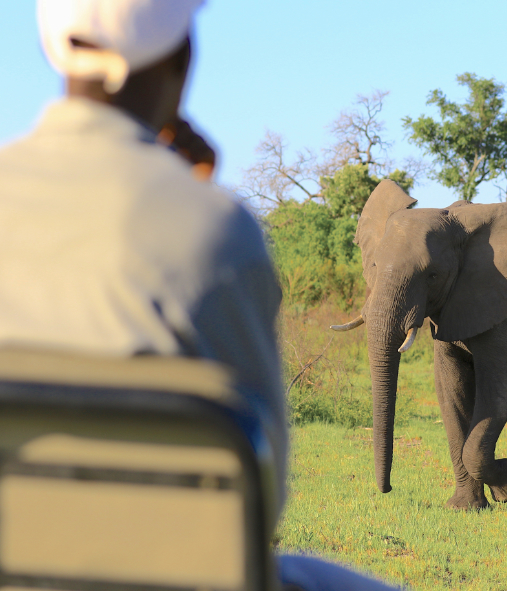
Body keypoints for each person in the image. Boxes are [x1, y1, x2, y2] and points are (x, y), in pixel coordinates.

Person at [0, 1, 401, 589]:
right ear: (182, 56)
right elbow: (263, 491)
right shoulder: (216, 229)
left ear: (49, 51)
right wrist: (194, 198)